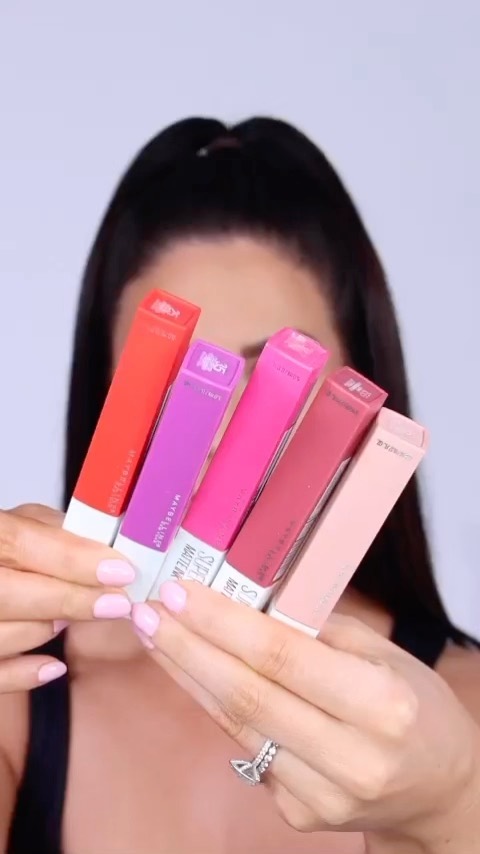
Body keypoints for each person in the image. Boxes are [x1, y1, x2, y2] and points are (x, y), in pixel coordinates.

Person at [1, 116, 479, 854]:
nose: (223, 440)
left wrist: (453, 813)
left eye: (276, 381)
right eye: (184, 384)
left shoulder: (464, 714)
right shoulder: (20, 696)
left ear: (364, 400)